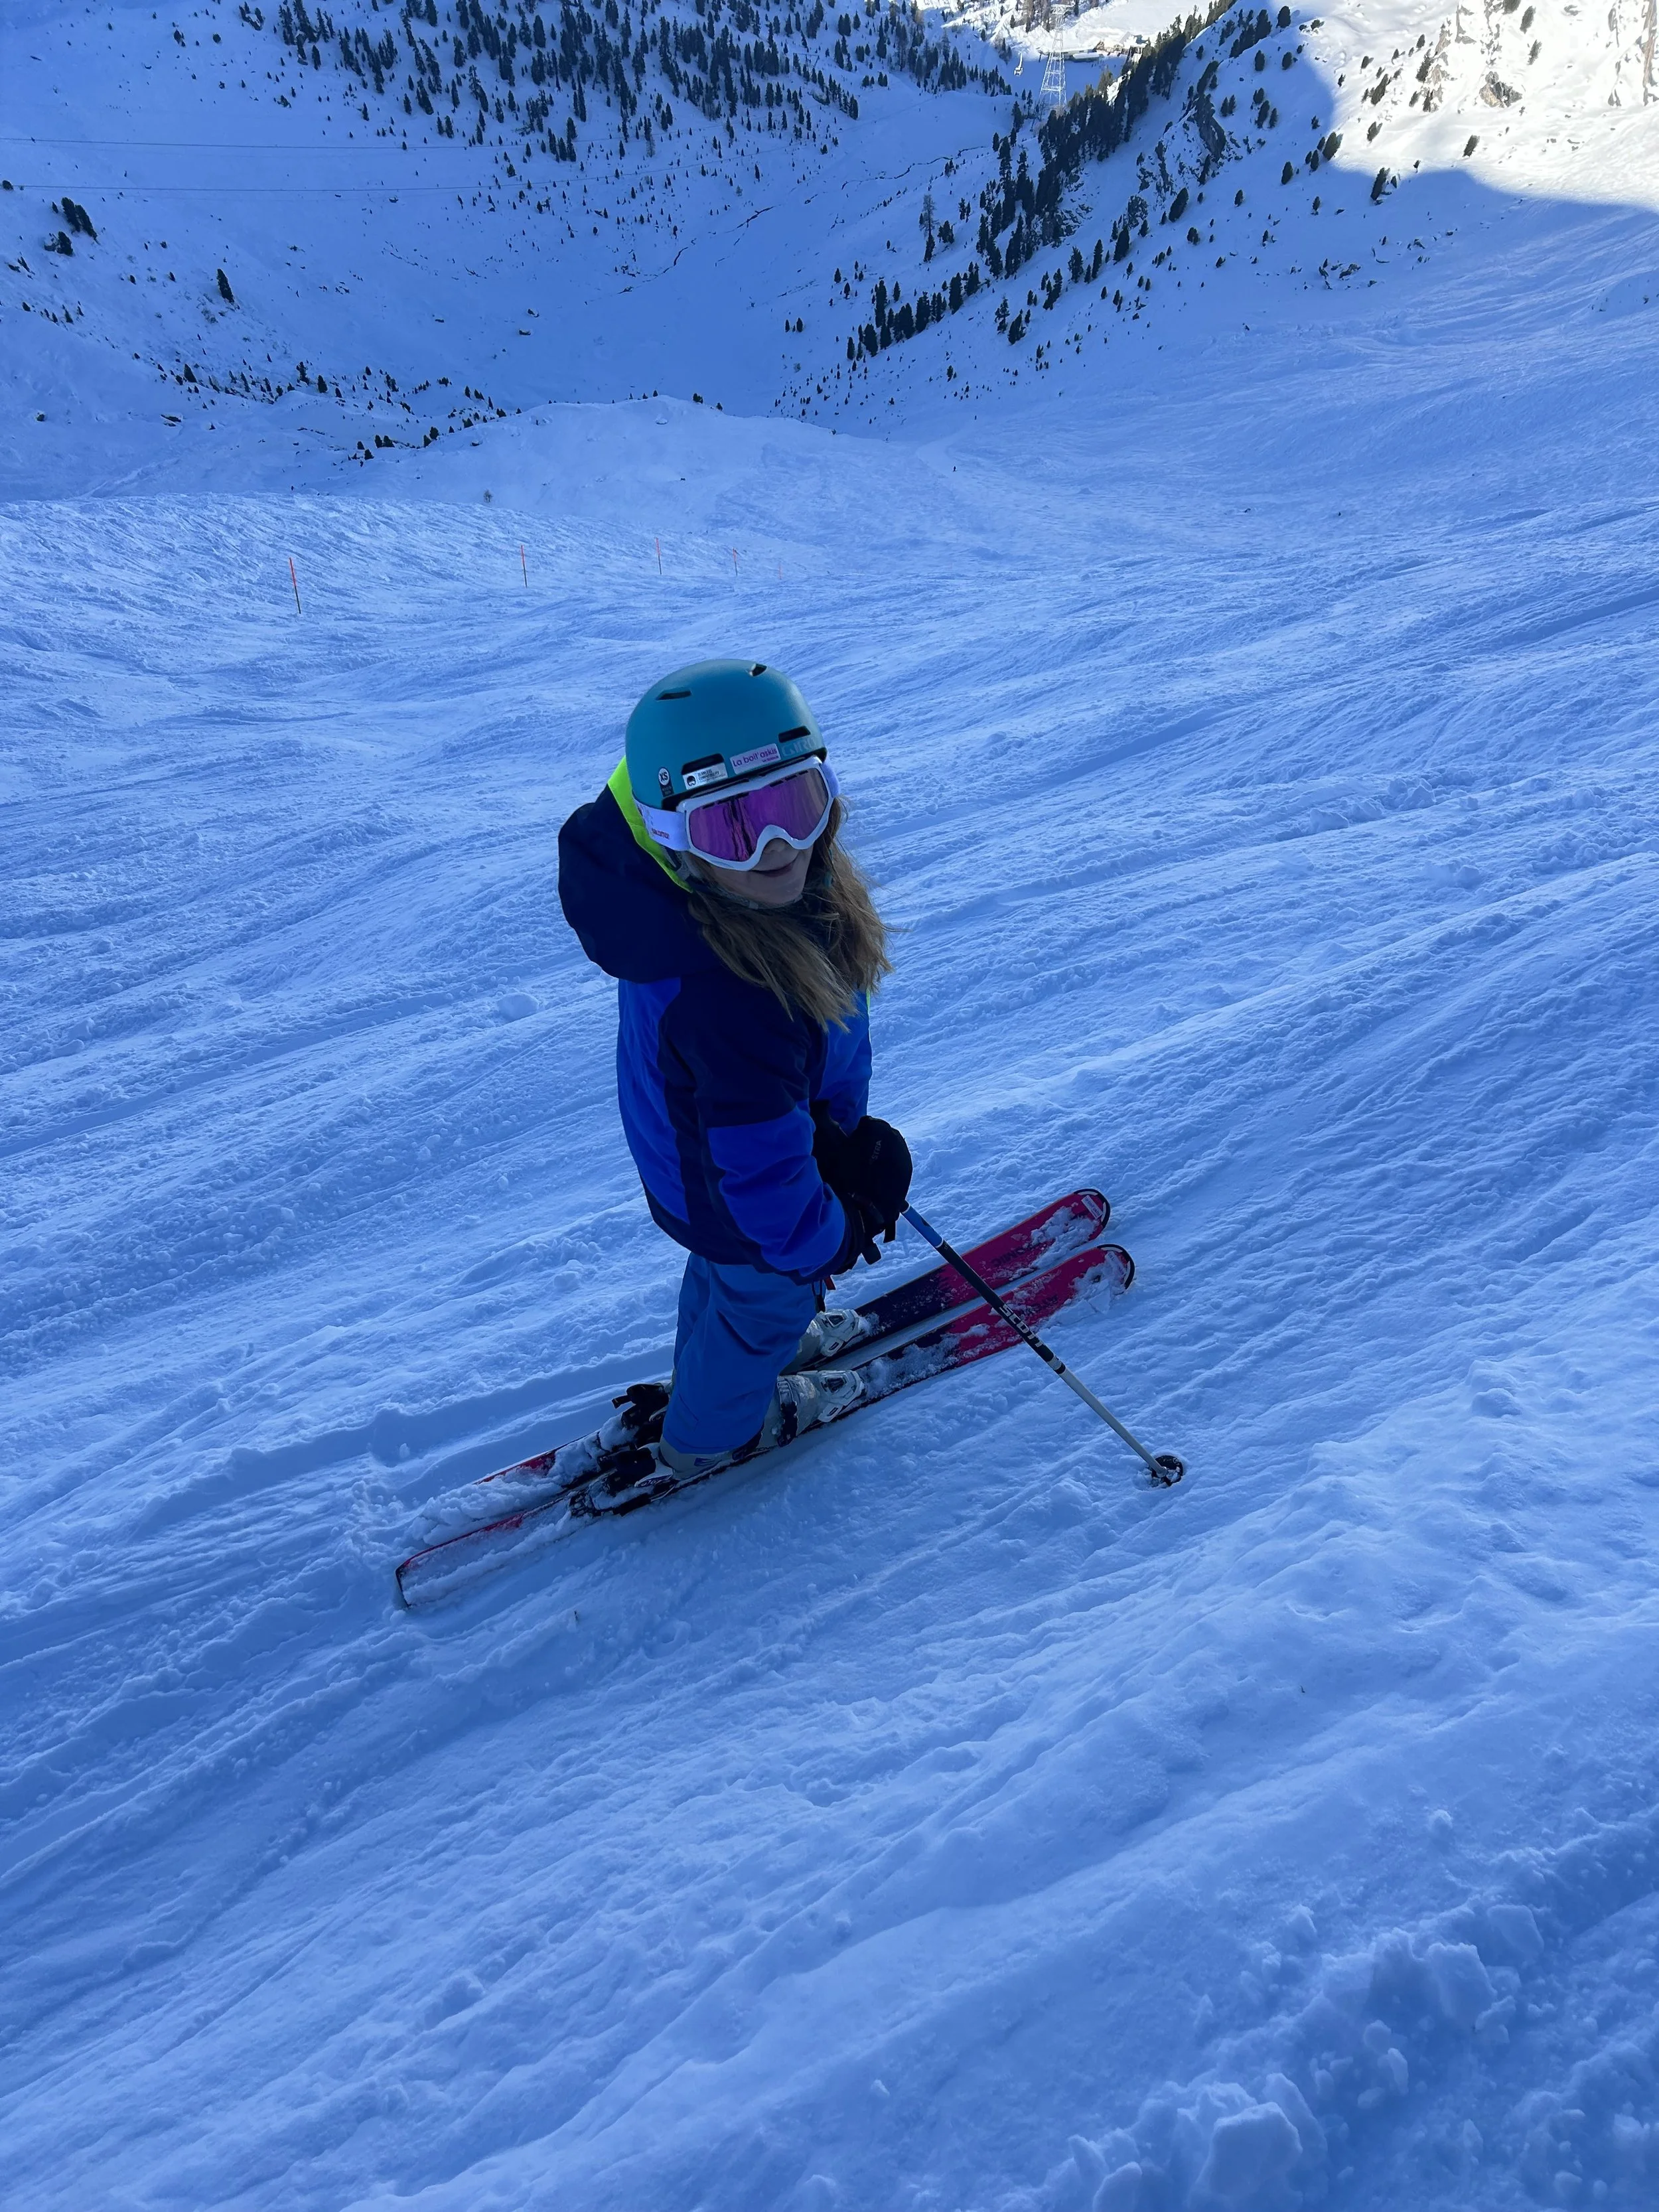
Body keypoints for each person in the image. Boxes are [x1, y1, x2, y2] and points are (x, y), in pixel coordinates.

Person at [557, 657, 912, 1477]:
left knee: (730, 1284)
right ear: (673, 839)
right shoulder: (736, 995)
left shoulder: (706, 915)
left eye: (796, 804)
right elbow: (765, 1193)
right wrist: (829, 1237)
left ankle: (729, 1356)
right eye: (732, 828)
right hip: (745, 1198)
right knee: (764, 1295)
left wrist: (825, 1137)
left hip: (712, 1175)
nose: (778, 849)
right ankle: (713, 1436)